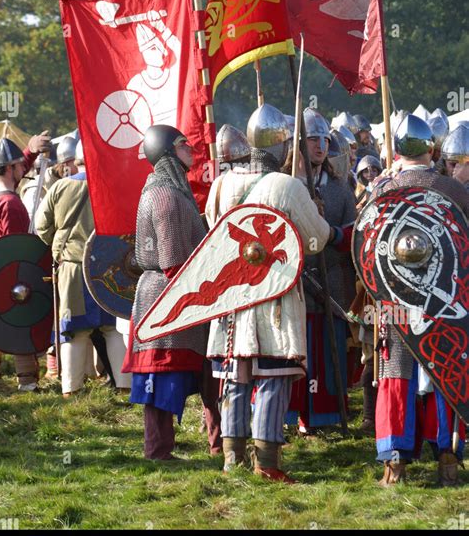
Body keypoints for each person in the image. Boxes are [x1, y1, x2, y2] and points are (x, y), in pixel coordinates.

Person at [206, 104, 332, 483]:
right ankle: (267, 463)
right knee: (272, 377)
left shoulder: (222, 184)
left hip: (231, 297)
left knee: (236, 376)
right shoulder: (288, 186)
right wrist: (318, 215)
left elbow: (214, 232)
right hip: (272, 298)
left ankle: (233, 458)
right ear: (281, 146)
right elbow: (316, 239)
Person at [371, 114, 467, 486]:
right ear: (432, 149)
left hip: (394, 299)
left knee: (396, 376)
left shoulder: (381, 189)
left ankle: (394, 465)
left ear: (397, 150)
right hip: (443, 301)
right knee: (446, 372)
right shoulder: (451, 190)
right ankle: (447, 460)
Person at [122, 125, 221, 460]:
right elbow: (174, 261)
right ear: (166, 152)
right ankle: (158, 450)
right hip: (169, 294)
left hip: (178, 292)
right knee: (159, 377)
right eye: (183, 145)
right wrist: (202, 294)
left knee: (210, 376)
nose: (191, 149)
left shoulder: (171, 191)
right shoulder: (165, 197)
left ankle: (220, 446)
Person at [35, 141, 129, 397]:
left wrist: (58, 245)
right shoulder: (110, 184)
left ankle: (71, 389)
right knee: (112, 329)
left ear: (74, 162)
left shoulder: (60, 187)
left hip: (73, 267)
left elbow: (42, 228)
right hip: (109, 267)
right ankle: (123, 386)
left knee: (74, 330)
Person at [288, 109, 356, 433]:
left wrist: (335, 234)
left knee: (329, 353)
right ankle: (296, 416)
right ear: (299, 142)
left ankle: (328, 415)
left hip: (331, 281)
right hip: (296, 284)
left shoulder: (341, 189)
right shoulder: (287, 185)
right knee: (298, 353)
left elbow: (354, 233)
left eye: (325, 140)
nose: (320, 146)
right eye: (313, 139)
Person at [0, 131, 51, 390]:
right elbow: (17, 250)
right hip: (10, 274)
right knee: (20, 321)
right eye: (19, 165)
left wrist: (29, 151)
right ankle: (27, 381)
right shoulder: (11, 204)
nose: (23, 169)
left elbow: (15, 171)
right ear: (9, 168)